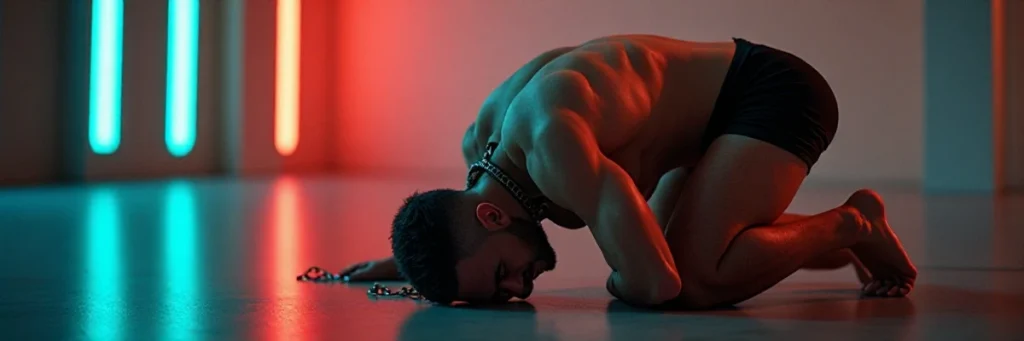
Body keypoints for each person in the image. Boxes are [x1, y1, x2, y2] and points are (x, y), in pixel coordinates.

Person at [338, 35, 917, 309]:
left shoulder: (553, 145)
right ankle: (834, 249)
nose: (518, 289)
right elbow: (449, 222)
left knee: (695, 277)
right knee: (675, 245)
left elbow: (655, 285)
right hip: (702, 133)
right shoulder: (483, 155)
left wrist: (620, 279)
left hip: (768, 93)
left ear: (492, 215)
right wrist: (410, 262)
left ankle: (853, 223)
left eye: (501, 279)